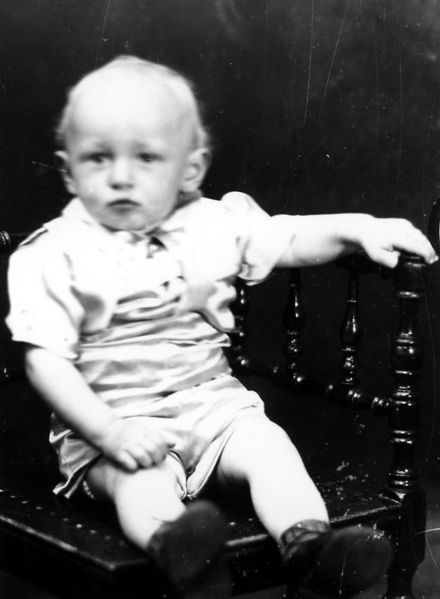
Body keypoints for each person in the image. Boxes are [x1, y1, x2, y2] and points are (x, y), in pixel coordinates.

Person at [6, 55, 437, 599]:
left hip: (213, 410)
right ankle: (184, 553)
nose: (121, 177)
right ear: (68, 169)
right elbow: (45, 362)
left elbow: (290, 238)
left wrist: (360, 228)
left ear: (189, 170)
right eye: (98, 158)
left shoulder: (209, 224)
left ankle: (311, 550)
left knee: (269, 446)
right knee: (141, 479)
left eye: (147, 158)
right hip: (114, 424)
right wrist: (109, 432)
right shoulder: (54, 253)